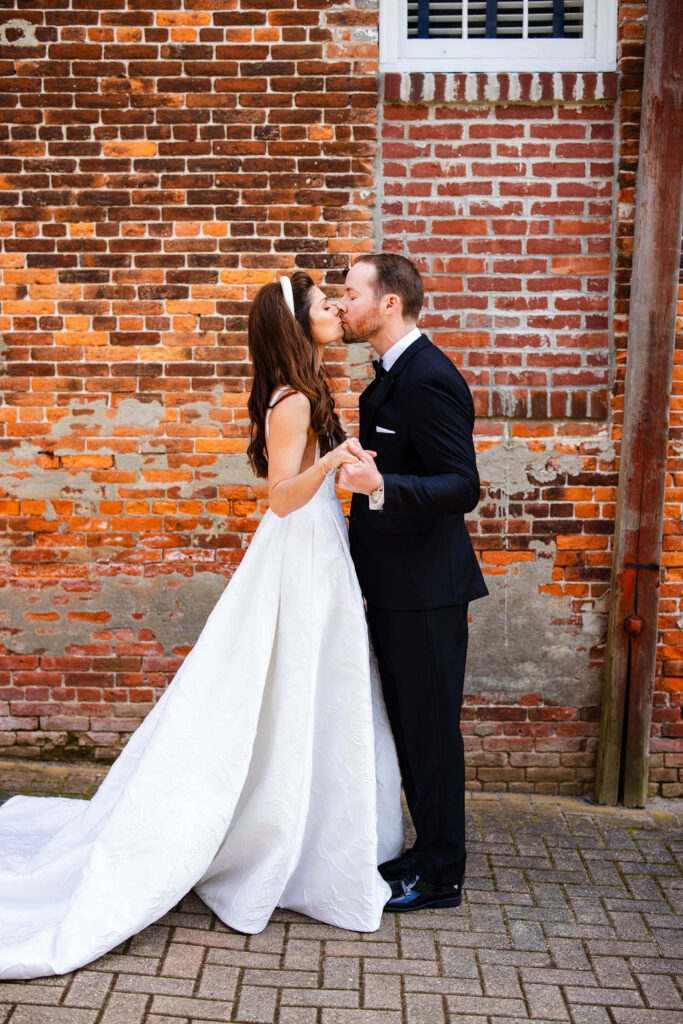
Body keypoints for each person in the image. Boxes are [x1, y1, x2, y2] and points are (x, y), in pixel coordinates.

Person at [0, 272, 403, 980]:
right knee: (281, 683)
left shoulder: (303, 393)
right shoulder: (294, 401)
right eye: (321, 305)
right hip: (297, 553)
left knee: (304, 686)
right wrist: (336, 461)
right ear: (295, 325)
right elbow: (280, 499)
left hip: (317, 551)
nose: (336, 309)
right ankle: (273, 835)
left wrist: (339, 465)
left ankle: (304, 826)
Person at [337, 253, 488, 913]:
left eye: (350, 293)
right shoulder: (389, 377)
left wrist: (382, 486)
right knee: (410, 728)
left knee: (430, 733)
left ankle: (440, 876)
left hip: (427, 591)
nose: (342, 305)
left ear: (388, 303)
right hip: (396, 587)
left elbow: (462, 486)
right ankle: (426, 853)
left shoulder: (429, 377)